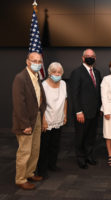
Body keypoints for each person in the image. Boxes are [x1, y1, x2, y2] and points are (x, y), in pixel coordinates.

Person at [12, 52, 47, 190]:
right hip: (25, 121)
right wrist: (25, 124)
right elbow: (19, 104)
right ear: (27, 61)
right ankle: (20, 179)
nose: (37, 63)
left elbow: (39, 98)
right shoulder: (20, 78)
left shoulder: (36, 77)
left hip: (37, 117)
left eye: (39, 61)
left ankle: (29, 173)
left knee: (35, 149)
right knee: (24, 151)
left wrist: (42, 117)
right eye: (34, 61)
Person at [70, 49, 101, 169]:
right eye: (88, 56)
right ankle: (80, 158)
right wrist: (78, 111)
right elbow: (74, 94)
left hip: (94, 112)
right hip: (82, 113)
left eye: (92, 56)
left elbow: (97, 93)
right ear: (83, 58)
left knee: (91, 137)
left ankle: (89, 156)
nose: (90, 57)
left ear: (95, 58)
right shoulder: (77, 72)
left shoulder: (97, 73)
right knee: (80, 136)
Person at [36, 62, 68, 178]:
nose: (57, 74)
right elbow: (41, 104)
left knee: (55, 144)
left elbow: (65, 100)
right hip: (47, 119)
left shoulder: (63, 83)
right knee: (44, 146)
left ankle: (52, 164)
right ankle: (42, 169)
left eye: (59, 72)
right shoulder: (43, 85)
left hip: (58, 119)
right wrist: (43, 120)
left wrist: (65, 115)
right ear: (49, 73)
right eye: (54, 72)